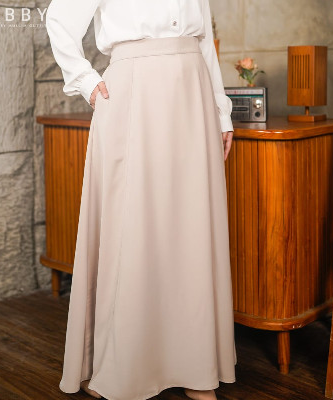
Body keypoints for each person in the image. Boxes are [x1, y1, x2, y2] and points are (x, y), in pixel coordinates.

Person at [45, 1, 237, 399]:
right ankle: (120, 366)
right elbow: (59, 18)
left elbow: (203, 40)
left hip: (193, 91)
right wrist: (85, 79)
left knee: (190, 227)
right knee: (131, 226)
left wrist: (221, 111)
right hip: (133, 91)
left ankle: (196, 368)